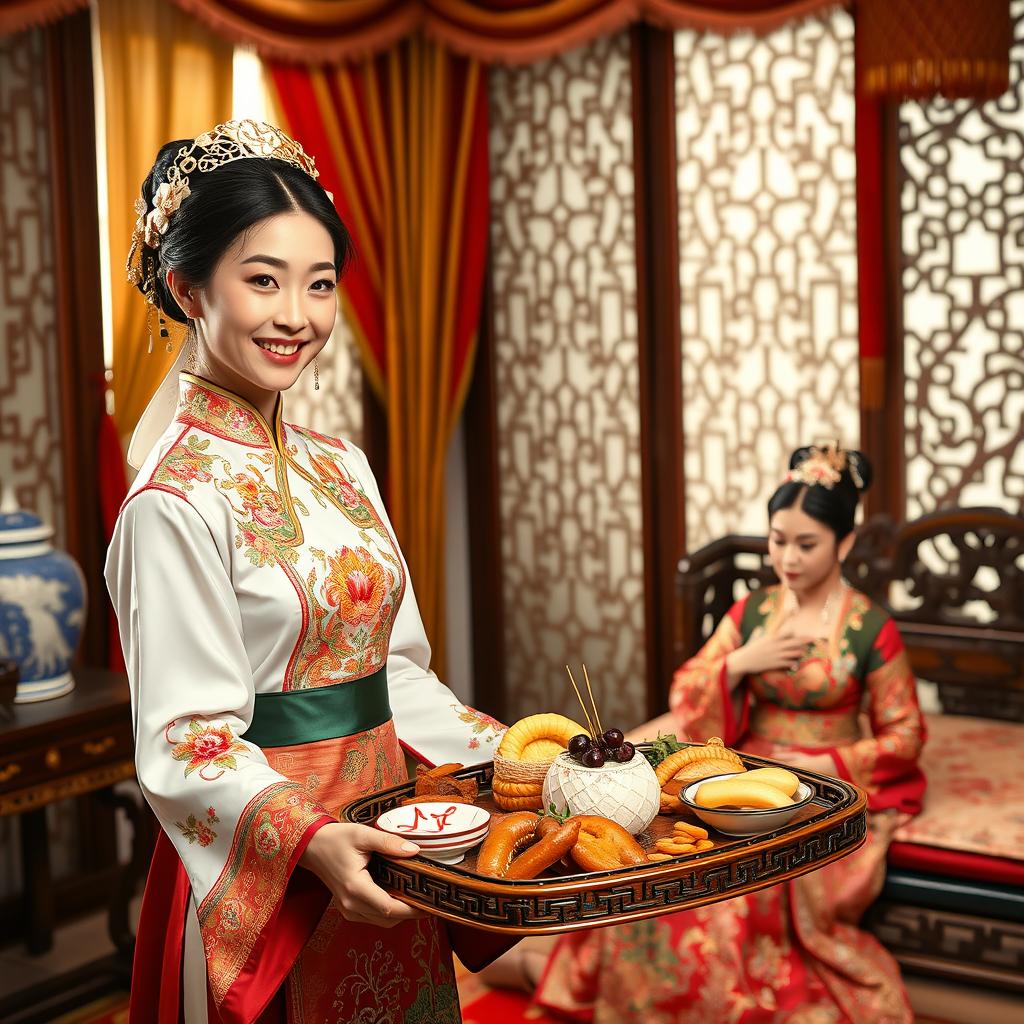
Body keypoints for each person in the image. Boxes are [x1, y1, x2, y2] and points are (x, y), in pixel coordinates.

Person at [105, 121, 505, 1024]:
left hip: (392, 839)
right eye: (263, 280)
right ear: (187, 289)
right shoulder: (173, 500)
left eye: (319, 285)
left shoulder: (343, 464)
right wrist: (314, 842)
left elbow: (393, 672)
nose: (298, 315)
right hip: (274, 863)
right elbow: (185, 740)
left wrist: (507, 755)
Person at [492, 444, 926, 1023]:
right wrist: (742, 662)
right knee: (674, 870)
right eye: (778, 540)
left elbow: (905, 734)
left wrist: (830, 764)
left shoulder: (871, 626)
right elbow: (689, 692)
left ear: (843, 543)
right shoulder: (753, 613)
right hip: (741, 770)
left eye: (807, 544)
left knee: (748, 897)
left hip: (824, 780)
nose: (787, 558)